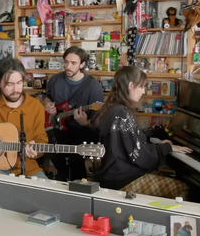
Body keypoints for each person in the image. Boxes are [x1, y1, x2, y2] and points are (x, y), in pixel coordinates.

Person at [90, 66, 191, 198]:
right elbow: (138, 153)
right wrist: (166, 148)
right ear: (131, 85)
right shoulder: (122, 113)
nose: (143, 91)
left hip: (112, 173)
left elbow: (131, 143)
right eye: (142, 87)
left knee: (159, 175)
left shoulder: (111, 107)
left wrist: (159, 146)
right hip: (121, 179)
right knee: (182, 188)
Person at [41, 47, 103, 181]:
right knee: (45, 144)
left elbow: (99, 120)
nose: (68, 67)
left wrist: (86, 122)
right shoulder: (56, 80)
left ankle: (78, 182)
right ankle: (61, 174)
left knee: (76, 158)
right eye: (66, 62)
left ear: (82, 64)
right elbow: (46, 96)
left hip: (82, 129)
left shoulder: (93, 86)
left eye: (73, 63)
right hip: (59, 127)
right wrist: (47, 104)